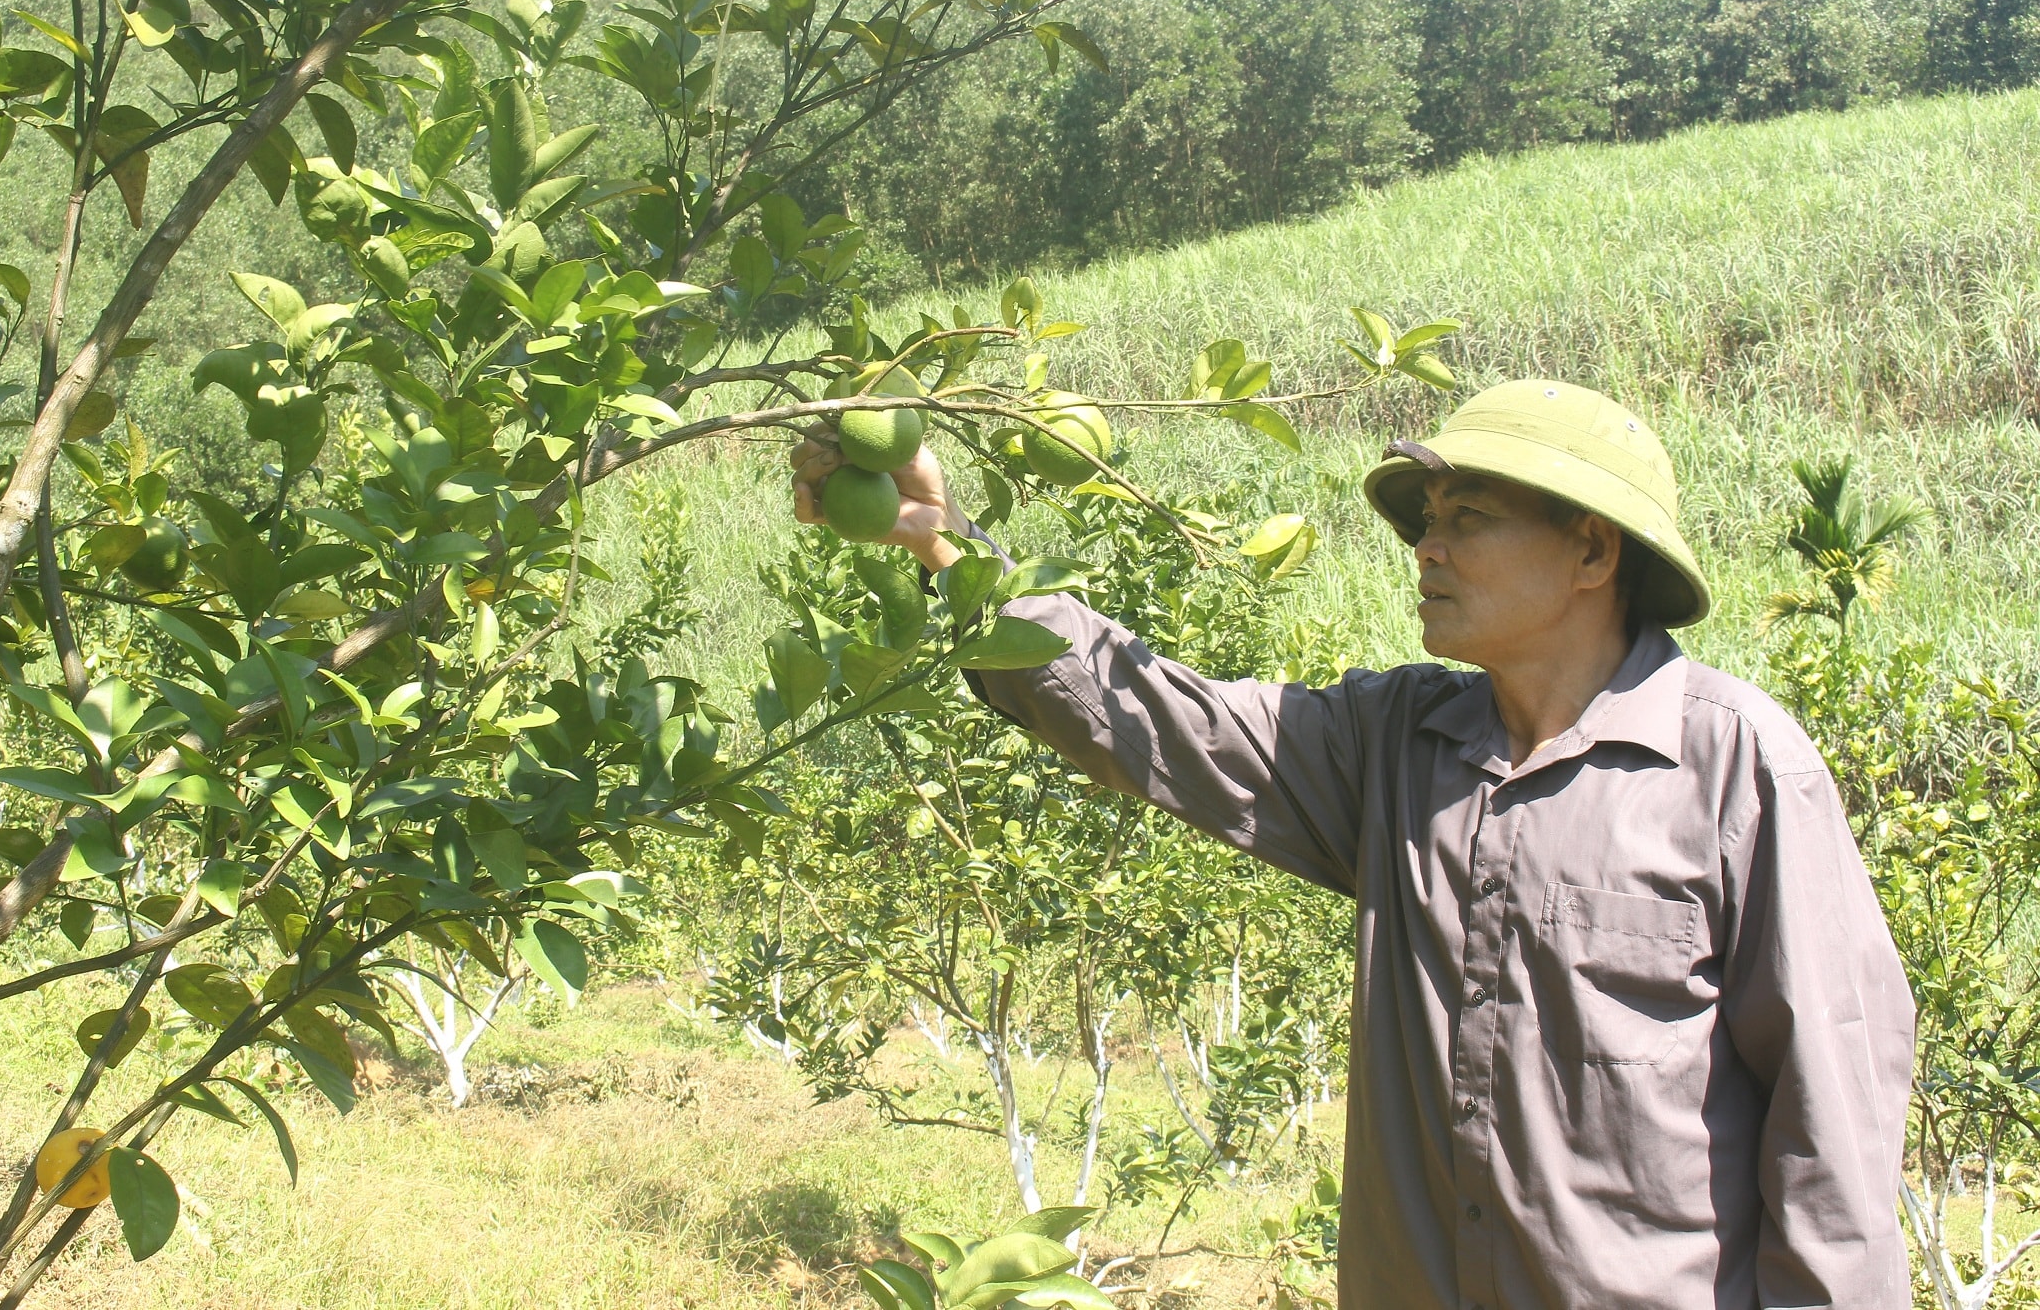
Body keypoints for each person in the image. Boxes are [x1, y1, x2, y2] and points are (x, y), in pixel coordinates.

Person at [791, 378, 1916, 1309]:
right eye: (1425, 520)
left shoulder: (1734, 768)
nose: (1425, 548)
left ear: (1590, 553)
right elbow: (1161, 719)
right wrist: (949, 549)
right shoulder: (1395, 744)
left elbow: (1832, 1123)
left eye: (1465, 518)